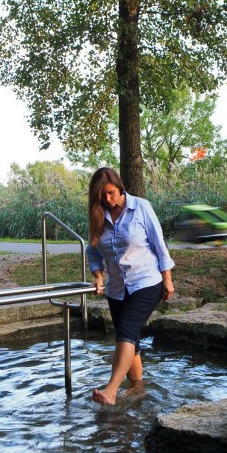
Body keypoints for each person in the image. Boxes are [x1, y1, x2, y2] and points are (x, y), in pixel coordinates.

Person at [85, 167, 175, 405]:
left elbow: (159, 243)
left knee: (124, 332)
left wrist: (167, 278)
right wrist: (97, 275)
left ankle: (111, 390)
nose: (107, 199)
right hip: (117, 289)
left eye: (111, 193)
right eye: (102, 195)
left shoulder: (141, 207)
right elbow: (93, 250)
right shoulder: (98, 214)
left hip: (146, 281)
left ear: (119, 187)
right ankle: (137, 386)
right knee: (130, 339)